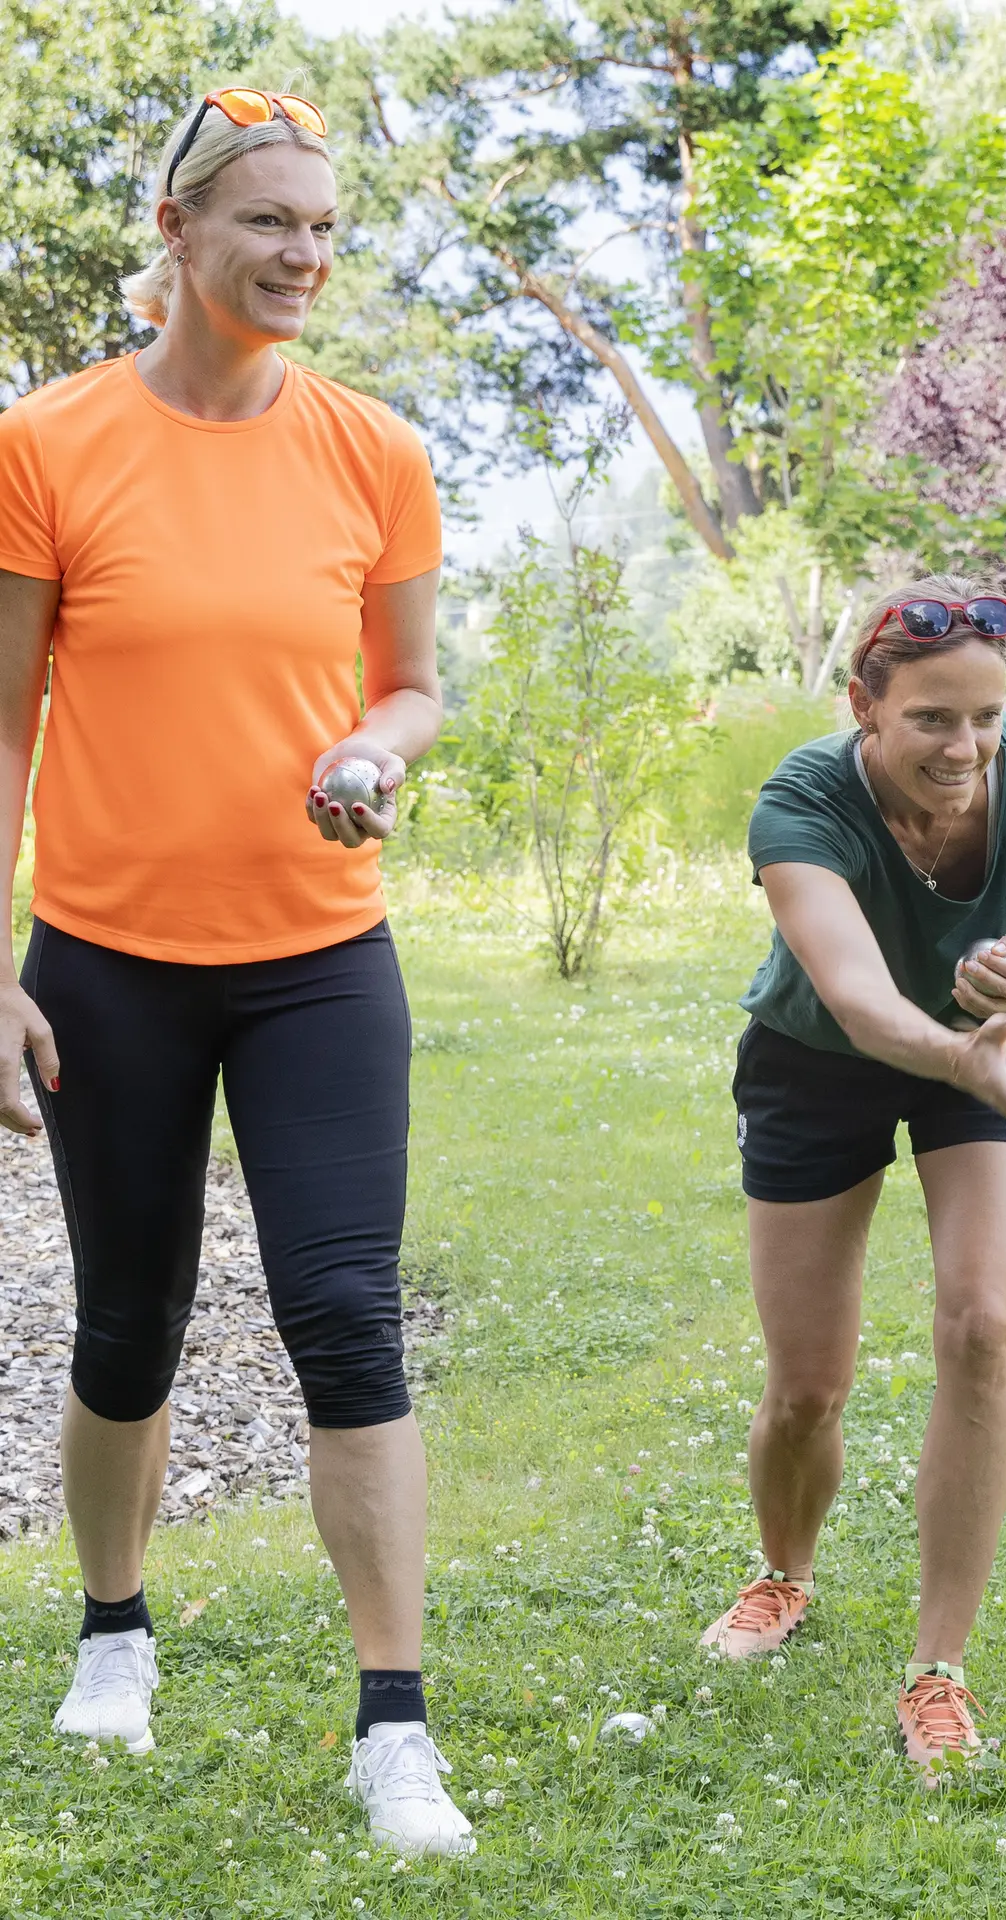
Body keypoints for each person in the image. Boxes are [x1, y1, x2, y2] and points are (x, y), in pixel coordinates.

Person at [0, 88, 472, 1854]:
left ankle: (394, 1729)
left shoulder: (375, 451)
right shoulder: (45, 444)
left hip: (320, 963)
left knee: (345, 1316)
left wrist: (379, 755)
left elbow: (412, 682)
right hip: (109, 959)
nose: (305, 256)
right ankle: (114, 1634)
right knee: (128, 1320)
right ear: (180, 232)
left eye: (327, 229)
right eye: (270, 222)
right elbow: (6, 726)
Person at [701, 577, 1006, 1785]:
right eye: (932, 719)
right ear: (865, 709)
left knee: (984, 1327)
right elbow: (860, 999)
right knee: (809, 1386)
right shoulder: (803, 799)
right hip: (823, 1061)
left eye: (985, 716)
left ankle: (938, 1669)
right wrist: (961, 1053)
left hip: (987, 1056)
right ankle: (784, 1575)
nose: (967, 747)